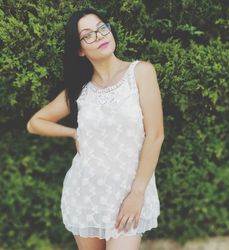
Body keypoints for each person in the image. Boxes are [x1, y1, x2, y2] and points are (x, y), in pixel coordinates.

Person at [26, 7, 164, 250]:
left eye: (102, 28)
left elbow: (155, 135)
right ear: (80, 49)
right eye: (88, 34)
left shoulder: (141, 72)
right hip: (87, 193)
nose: (99, 36)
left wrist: (137, 193)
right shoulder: (80, 90)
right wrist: (73, 133)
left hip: (129, 192)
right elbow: (35, 123)